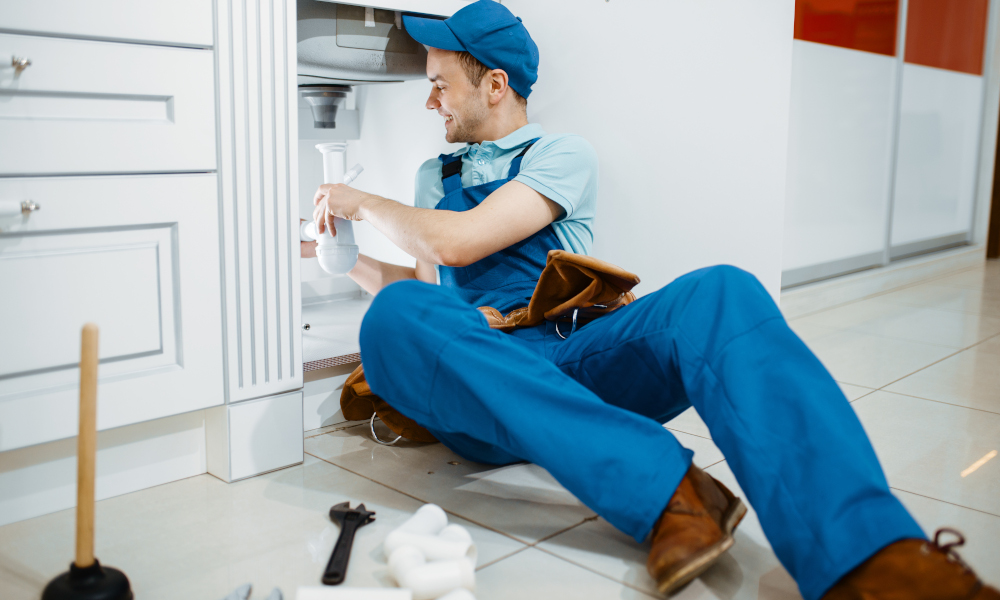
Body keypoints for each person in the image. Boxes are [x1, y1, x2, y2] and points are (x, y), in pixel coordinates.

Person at [303, 2, 999, 599]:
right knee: (396, 319)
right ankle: (670, 492)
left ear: (493, 84)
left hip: (570, 353)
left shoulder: (559, 155)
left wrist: (359, 200)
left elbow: (459, 244)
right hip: (485, 378)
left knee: (722, 291)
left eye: (438, 86)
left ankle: (872, 556)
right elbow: (431, 298)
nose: (429, 103)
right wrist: (340, 259)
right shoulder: (433, 177)